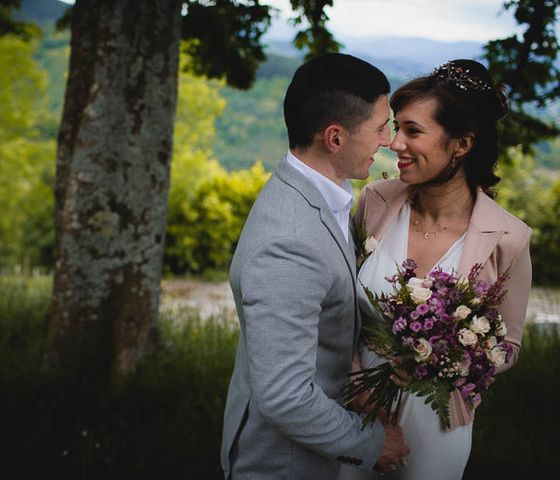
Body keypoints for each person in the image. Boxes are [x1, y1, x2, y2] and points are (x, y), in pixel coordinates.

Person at [220, 53, 410, 480]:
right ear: (335, 138)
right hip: (282, 465)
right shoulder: (289, 242)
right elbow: (285, 397)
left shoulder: (318, 192)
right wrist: (372, 443)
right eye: (380, 126)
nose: (388, 139)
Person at [340, 59, 532, 480]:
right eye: (394, 127)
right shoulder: (374, 203)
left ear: (461, 144)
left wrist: (449, 356)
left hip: (437, 416)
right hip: (355, 409)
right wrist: (356, 386)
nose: (394, 143)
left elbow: (509, 346)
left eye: (413, 130)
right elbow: (337, 306)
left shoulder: (508, 238)